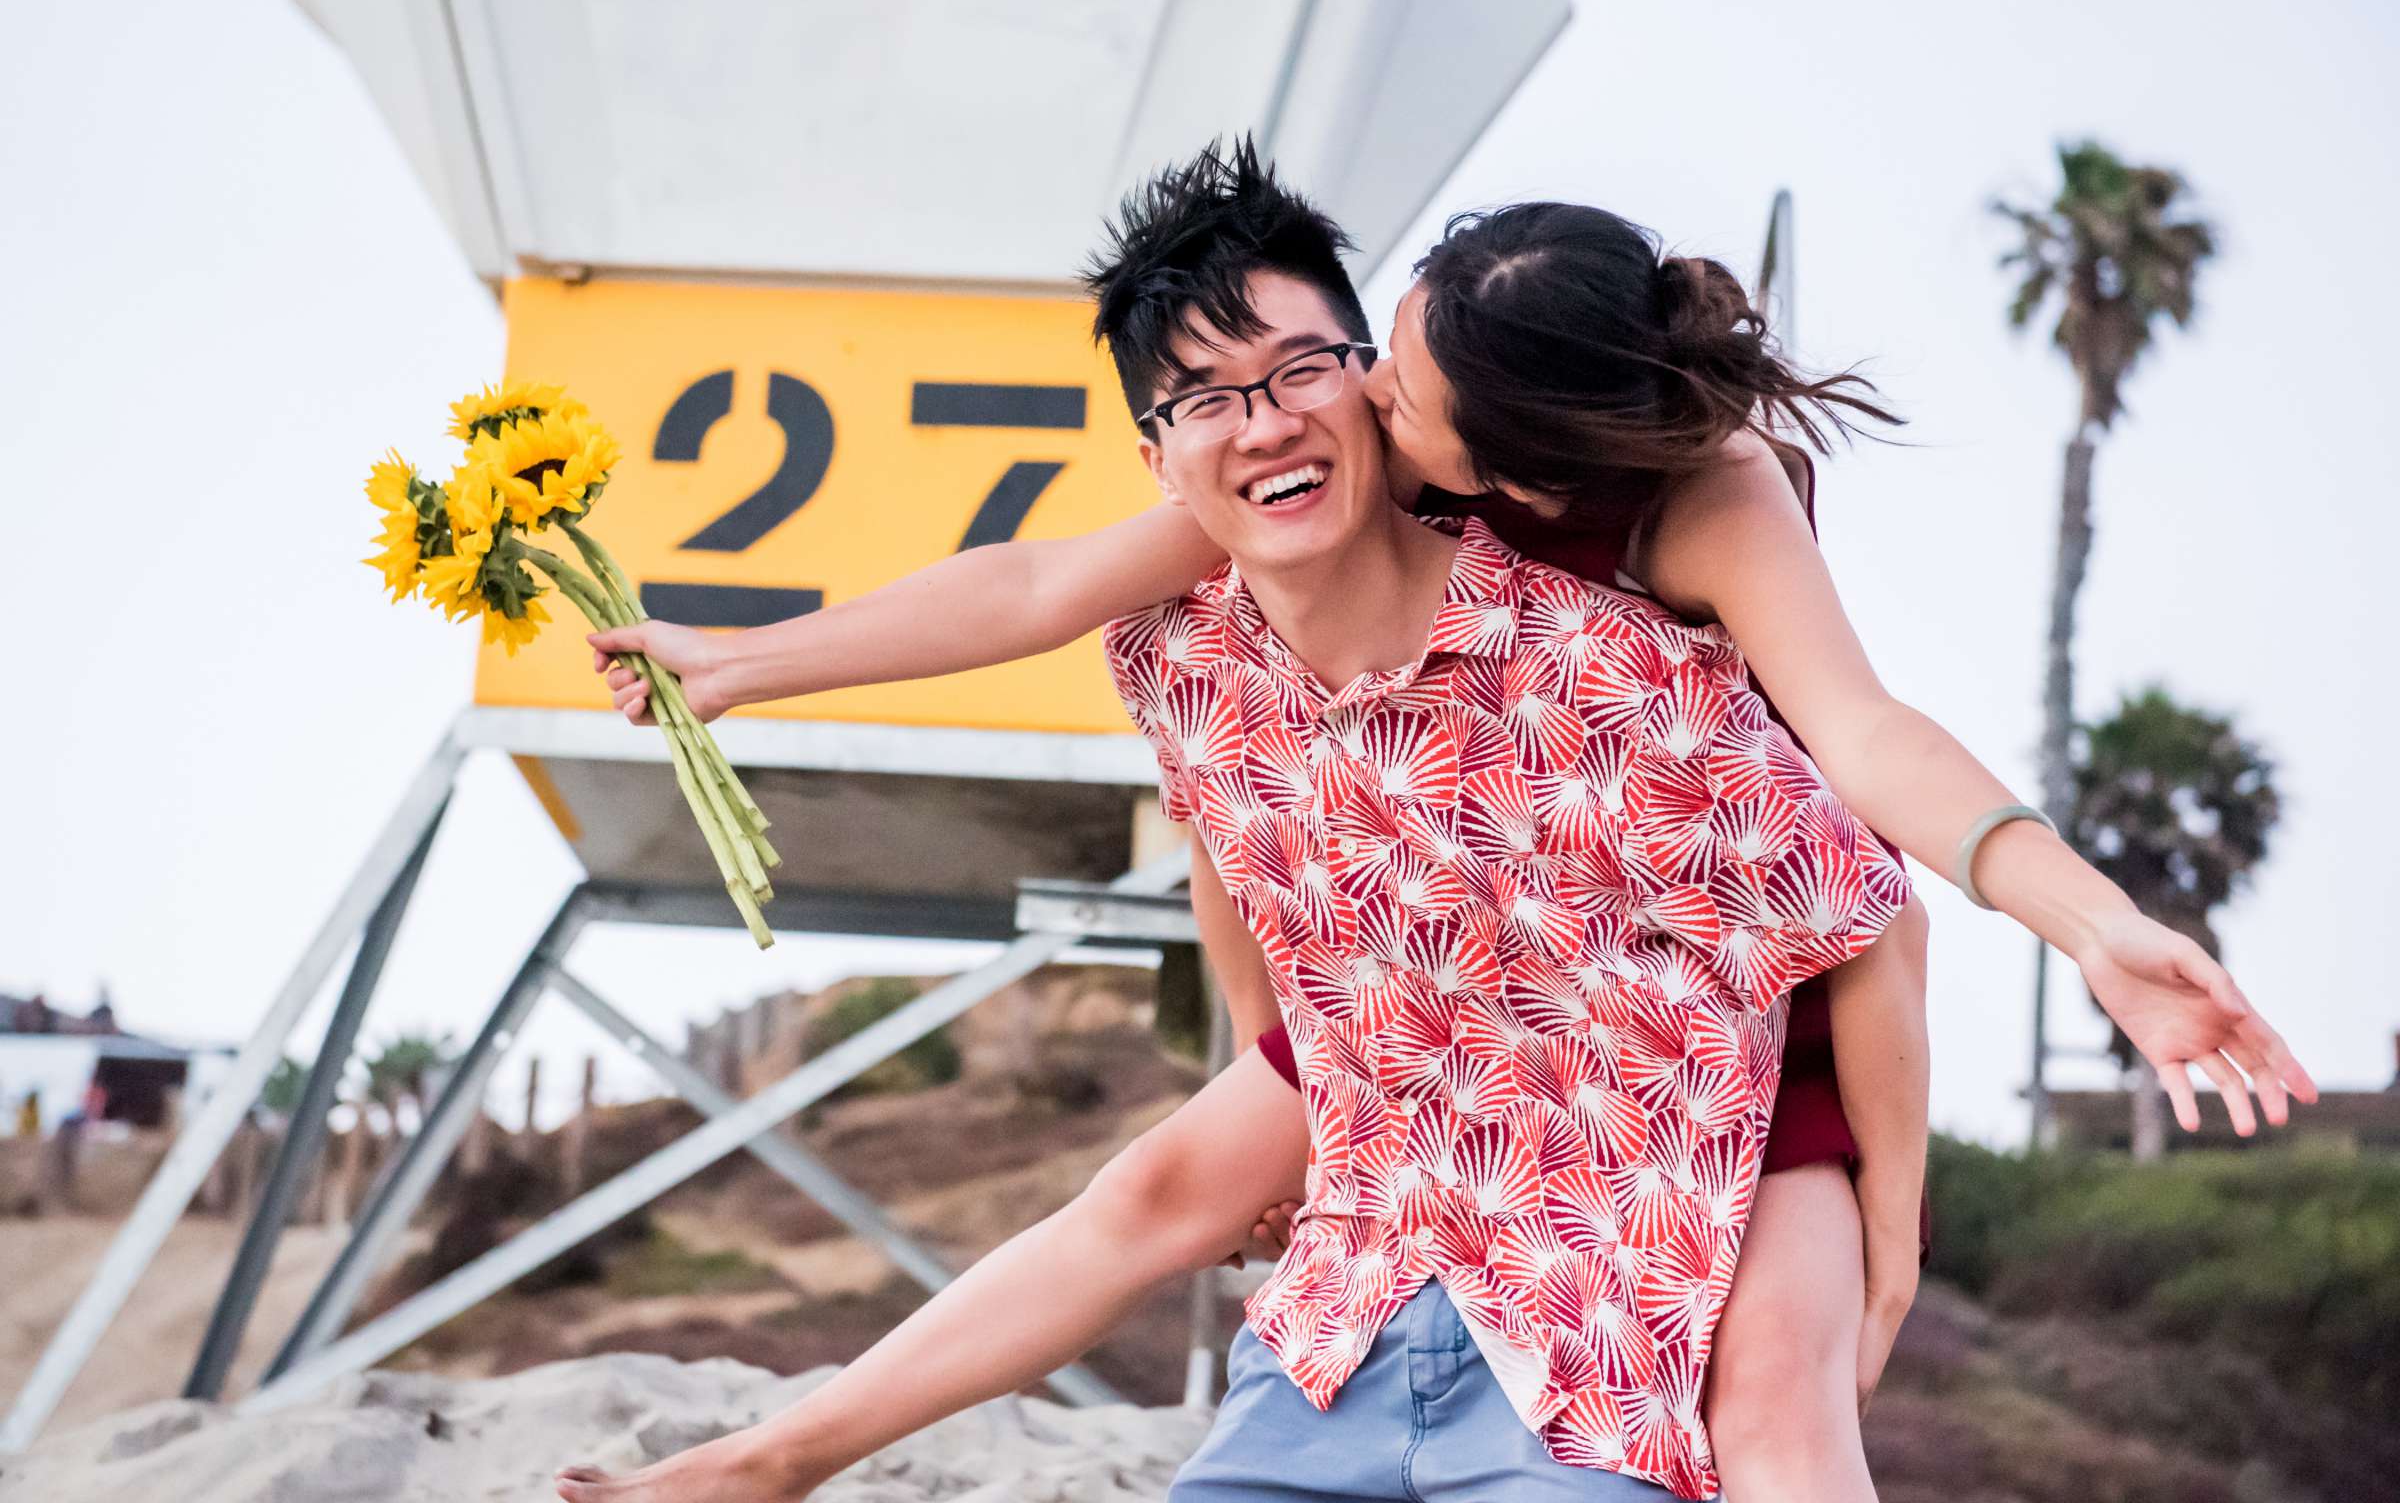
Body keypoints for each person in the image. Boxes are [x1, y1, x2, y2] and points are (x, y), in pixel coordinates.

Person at [559, 144, 2312, 1503]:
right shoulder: (1309, 482)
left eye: (1359, 383)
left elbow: (1865, 771)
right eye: (1232, 393)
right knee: (1160, 1182)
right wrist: (739, 662)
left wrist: (2064, 970)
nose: (1330, 412)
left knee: (1785, 1417)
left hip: (1712, 993)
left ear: (1490, 452)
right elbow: (1052, 610)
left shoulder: (1686, 515)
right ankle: (779, 1453)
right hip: (1457, 983)